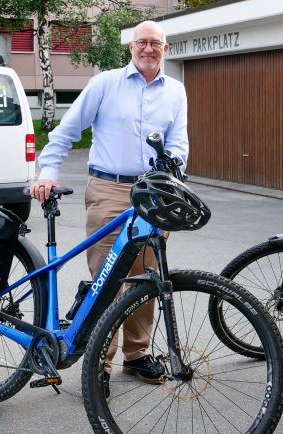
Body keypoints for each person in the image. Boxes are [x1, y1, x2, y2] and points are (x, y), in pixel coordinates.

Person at [30, 21, 188, 392]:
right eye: (142, 43)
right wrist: (47, 172)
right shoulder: (105, 83)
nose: (149, 49)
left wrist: (173, 176)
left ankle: (136, 356)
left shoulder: (176, 92)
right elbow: (67, 130)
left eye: (156, 44)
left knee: (147, 276)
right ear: (131, 47)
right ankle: (99, 363)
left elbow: (179, 144)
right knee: (107, 280)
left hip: (153, 192)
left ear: (165, 49)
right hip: (109, 188)